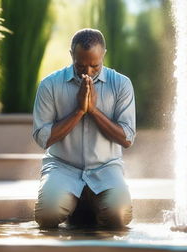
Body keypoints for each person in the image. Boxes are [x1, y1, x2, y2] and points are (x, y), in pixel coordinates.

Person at [32, 28, 136, 229]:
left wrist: (94, 111)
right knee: (47, 215)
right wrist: (79, 111)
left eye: (95, 66)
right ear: (71, 55)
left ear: (103, 54)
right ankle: (74, 202)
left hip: (106, 167)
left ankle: (86, 207)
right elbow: (42, 138)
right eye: (80, 66)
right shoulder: (50, 85)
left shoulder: (121, 84)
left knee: (119, 217)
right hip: (62, 166)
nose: (88, 72)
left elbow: (127, 139)